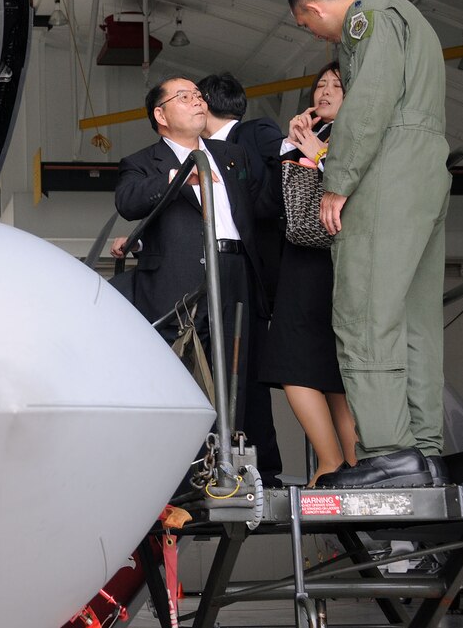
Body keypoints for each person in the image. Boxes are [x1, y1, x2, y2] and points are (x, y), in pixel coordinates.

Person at [289, 0, 450, 488]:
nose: (317, 36)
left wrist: (338, 179)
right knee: (413, 320)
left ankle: (387, 452)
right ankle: (425, 453)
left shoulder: (368, 20)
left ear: (314, 10)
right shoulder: (409, 15)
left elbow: (369, 103)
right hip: (427, 168)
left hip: (389, 170)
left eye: (309, 27)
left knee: (363, 312)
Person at [115, 76, 267, 437]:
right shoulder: (143, 163)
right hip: (178, 279)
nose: (198, 101)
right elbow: (127, 201)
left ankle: (228, 464)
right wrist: (175, 177)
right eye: (185, 97)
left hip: (234, 269)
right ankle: (185, 472)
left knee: (234, 369)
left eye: (199, 96)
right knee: (182, 370)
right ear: (161, 115)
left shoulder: (231, 156)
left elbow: (260, 205)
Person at [261, 62, 358, 485]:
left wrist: (314, 151)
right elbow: (278, 203)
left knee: (296, 360)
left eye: (337, 86)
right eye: (320, 85)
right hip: (309, 258)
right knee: (325, 368)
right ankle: (351, 464)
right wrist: (293, 144)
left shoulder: (356, 138)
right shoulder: (312, 138)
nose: (325, 91)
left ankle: (333, 461)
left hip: (331, 258)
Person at [200, 72, 283, 486]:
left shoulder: (255, 132)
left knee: (247, 369)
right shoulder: (197, 153)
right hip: (215, 268)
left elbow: (280, 182)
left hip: (254, 268)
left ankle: (263, 466)